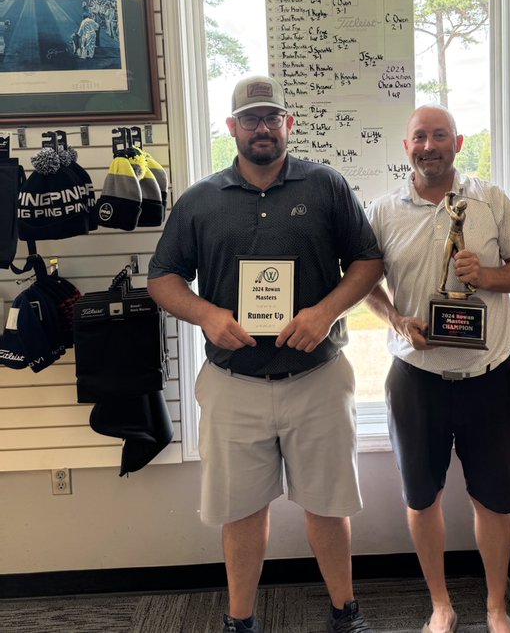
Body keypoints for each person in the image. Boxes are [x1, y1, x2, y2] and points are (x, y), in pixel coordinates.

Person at [147, 74, 383, 633]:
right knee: (241, 511)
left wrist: (326, 313)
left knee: (328, 506)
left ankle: (344, 612)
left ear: (288, 124)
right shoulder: (201, 200)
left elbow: (368, 262)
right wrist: (207, 315)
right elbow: (162, 278)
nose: (262, 128)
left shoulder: (326, 185)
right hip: (235, 385)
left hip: (318, 379)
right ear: (232, 127)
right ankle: (241, 620)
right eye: (251, 119)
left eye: (272, 117)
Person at [365, 104, 510, 633]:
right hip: (416, 382)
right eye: (419, 137)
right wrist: (398, 321)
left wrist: (486, 275)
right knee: (423, 500)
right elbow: (364, 286)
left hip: (488, 378)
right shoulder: (383, 211)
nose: (429, 146)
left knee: (495, 502)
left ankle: (496, 607)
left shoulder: (489, 200)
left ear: (457, 143)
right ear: (407, 147)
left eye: (440, 135)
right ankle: (440, 604)